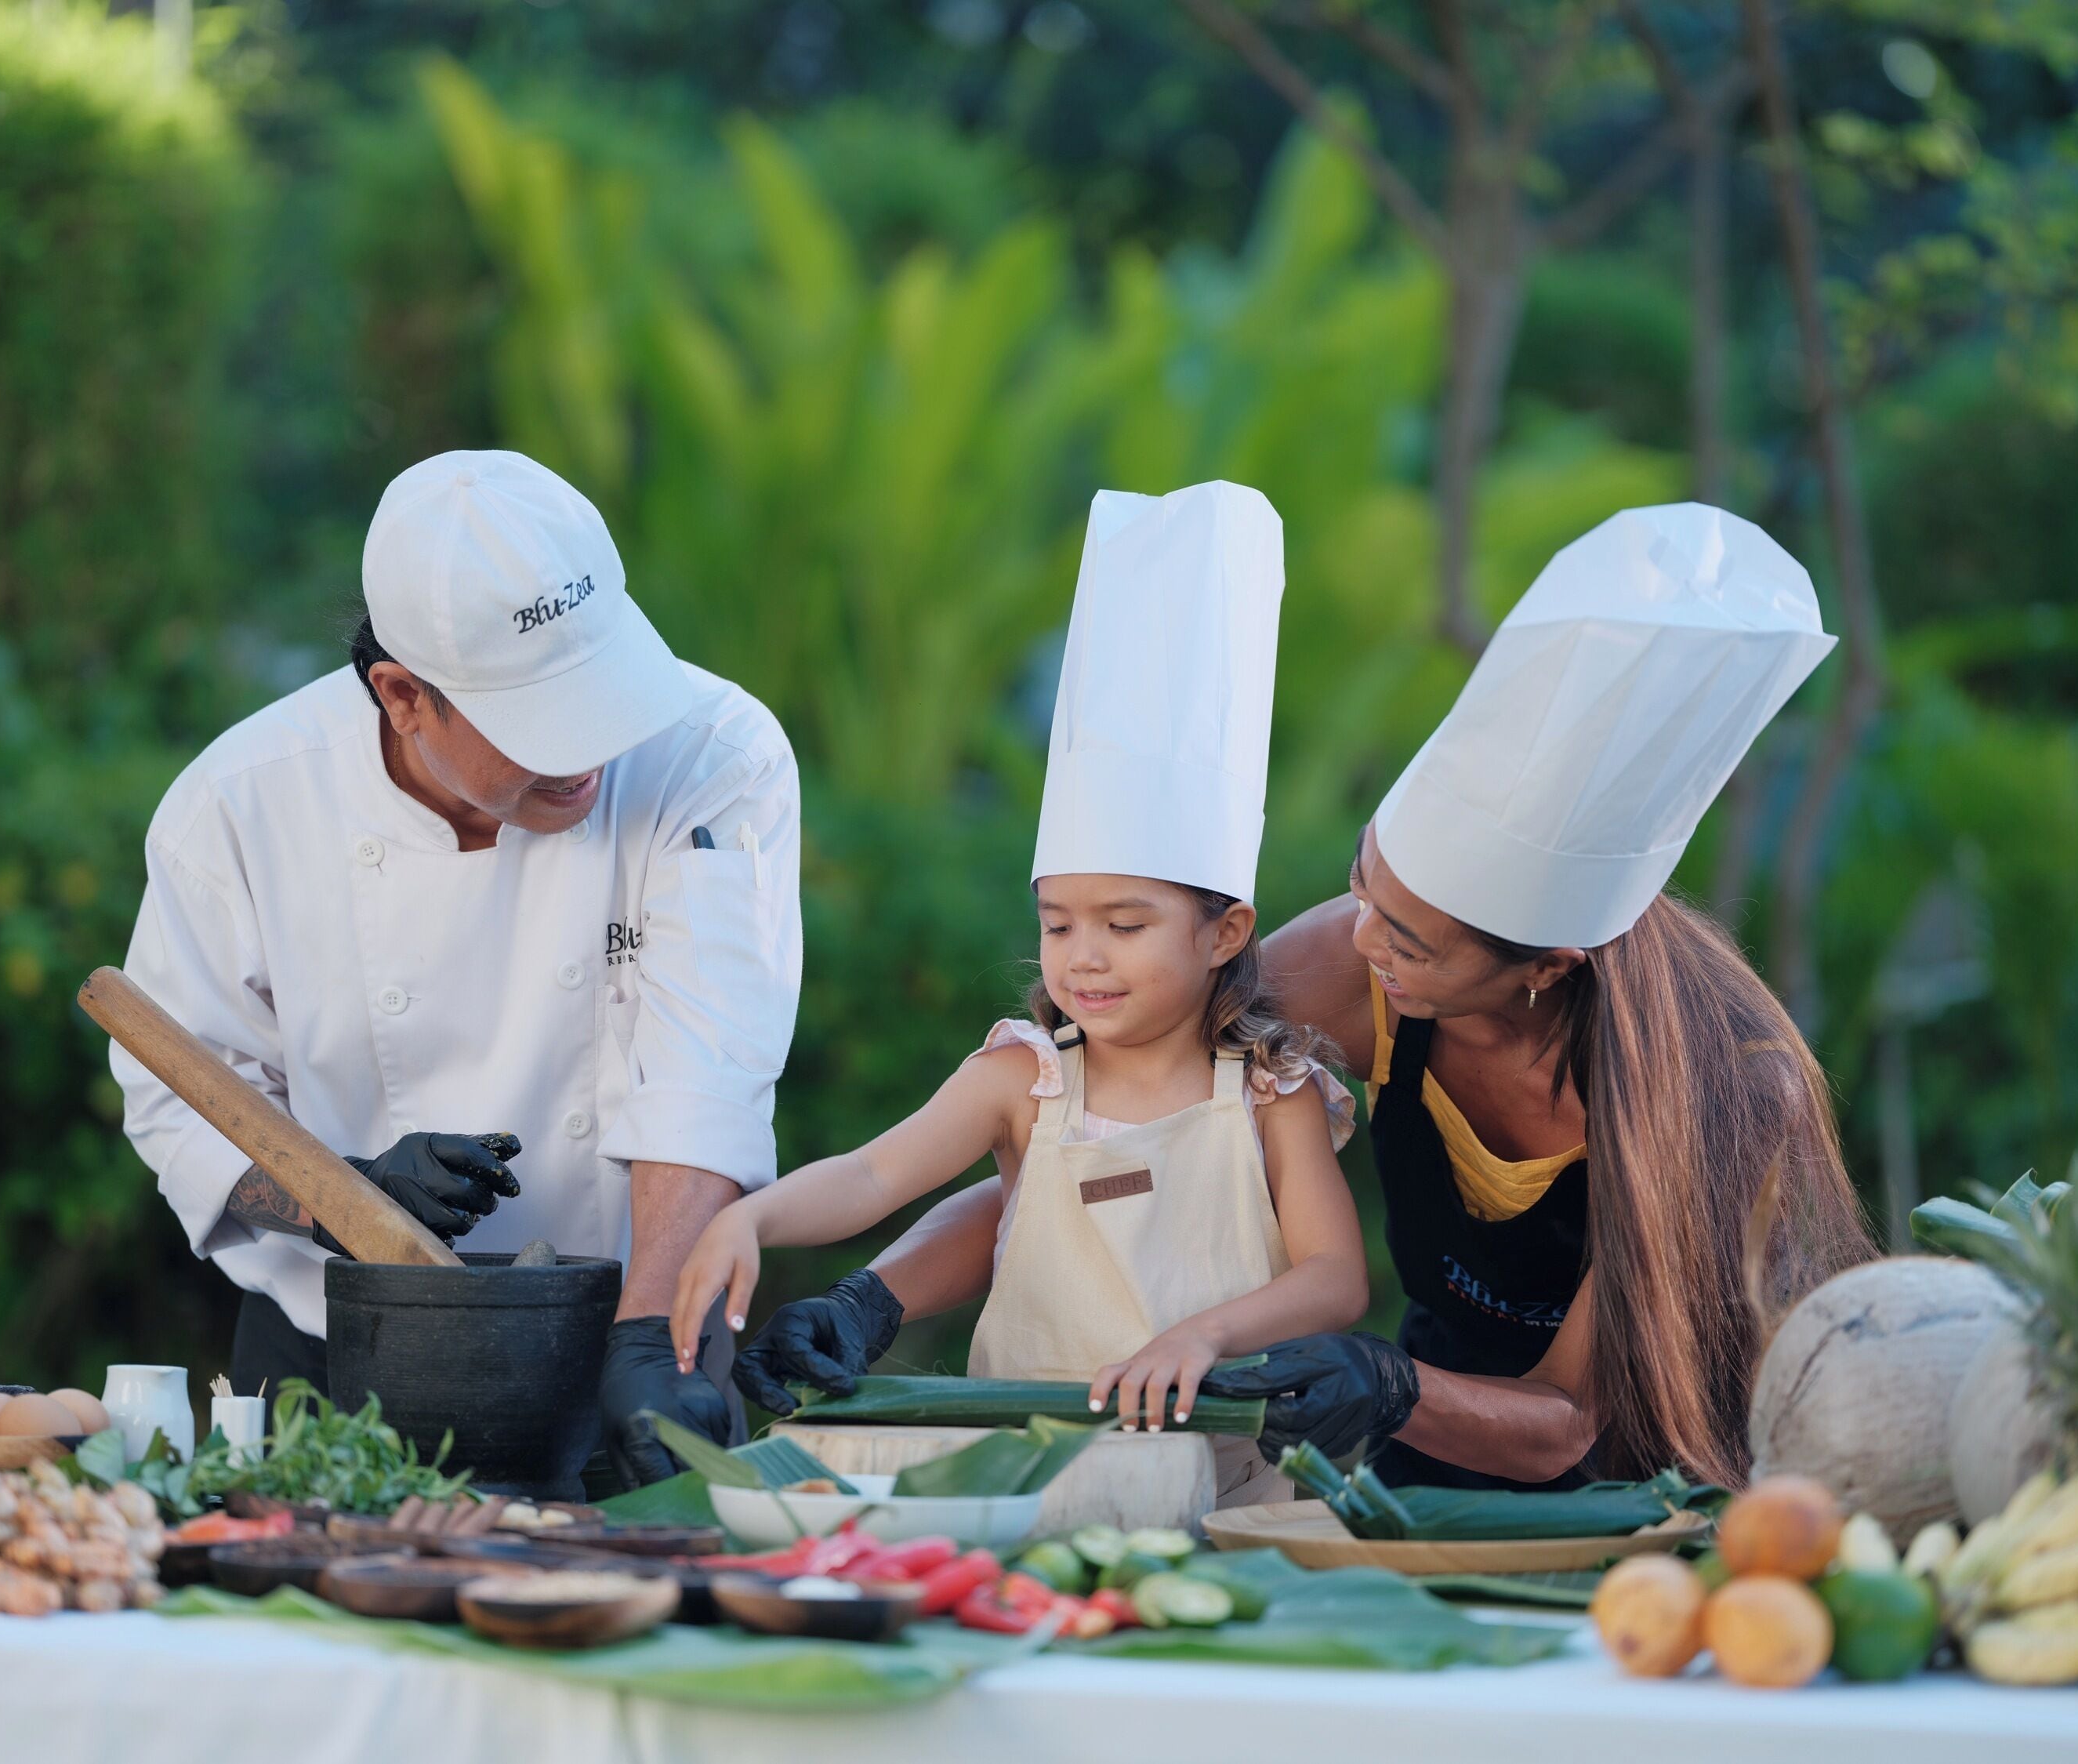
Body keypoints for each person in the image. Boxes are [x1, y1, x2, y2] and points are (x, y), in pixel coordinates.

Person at [736, 503, 1875, 1491]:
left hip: (1636, 1496)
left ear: (1546, 968)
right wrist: (876, 1298)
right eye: (1363, 884)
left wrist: (1380, 1379)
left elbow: (1568, 1423)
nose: (1366, 941)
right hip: (1414, 1484)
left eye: (1415, 943)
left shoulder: (1725, 1093)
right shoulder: (1349, 962)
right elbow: (1087, 1155)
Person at [111, 450, 802, 1490]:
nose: (590, 754)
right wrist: (346, 1193)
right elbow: (184, 1108)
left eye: (605, 690)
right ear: (402, 695)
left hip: (630, 1353)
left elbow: (709, 1071)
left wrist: (653, 1338)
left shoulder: (713, 752)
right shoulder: (241, 804)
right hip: (338, 1368)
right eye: (543, 722)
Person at [676, 481, 1365, 1499]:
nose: (1083, 956)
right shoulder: (1024, 1077)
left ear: (1223, 932)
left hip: (1224, 1493)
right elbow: (873, 1176)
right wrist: (753, 1220)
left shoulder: (1273, 1091)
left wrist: (1204, 1336)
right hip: (1021, 1483)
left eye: (1124, 926)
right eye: (1057, 923)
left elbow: (1334, 1278)